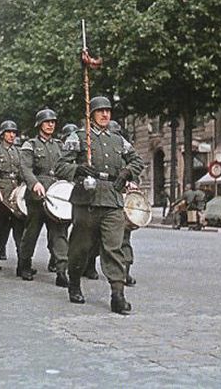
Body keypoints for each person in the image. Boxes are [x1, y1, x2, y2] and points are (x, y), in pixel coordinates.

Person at [56, 96, 145, 315]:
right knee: (81, 247)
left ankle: (117, 294)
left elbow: (137, 161)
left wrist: (127, 172)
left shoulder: (119, 140)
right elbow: (60, 166)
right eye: (100, 111)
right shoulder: (78, 137)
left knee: (113, 247)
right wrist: (77, 169)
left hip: (113, 198)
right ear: (91, 114)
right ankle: (74, 282)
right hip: (87, 199)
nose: (105, 115)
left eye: (108, 111)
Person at [17, 108, 70, 287]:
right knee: (31, 232)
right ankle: (24, 264)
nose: (50, 125)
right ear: (39, 124)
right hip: (37, 196)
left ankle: (62, 270)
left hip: (56, 194)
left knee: (59, 233)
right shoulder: (30, 145)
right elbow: (25, 168)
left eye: (53, 122)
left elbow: (66, 168)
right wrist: (34, 184)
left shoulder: (60, 146)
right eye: (47, 122)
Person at [0, 120, 25, 274]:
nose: (11, 135)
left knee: (20, 231)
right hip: (1, 193)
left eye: (13, 132)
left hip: (16, 194)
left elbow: (23, 171)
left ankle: (22, 264)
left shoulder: (20, 152)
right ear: (2, 135)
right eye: (8, 132)